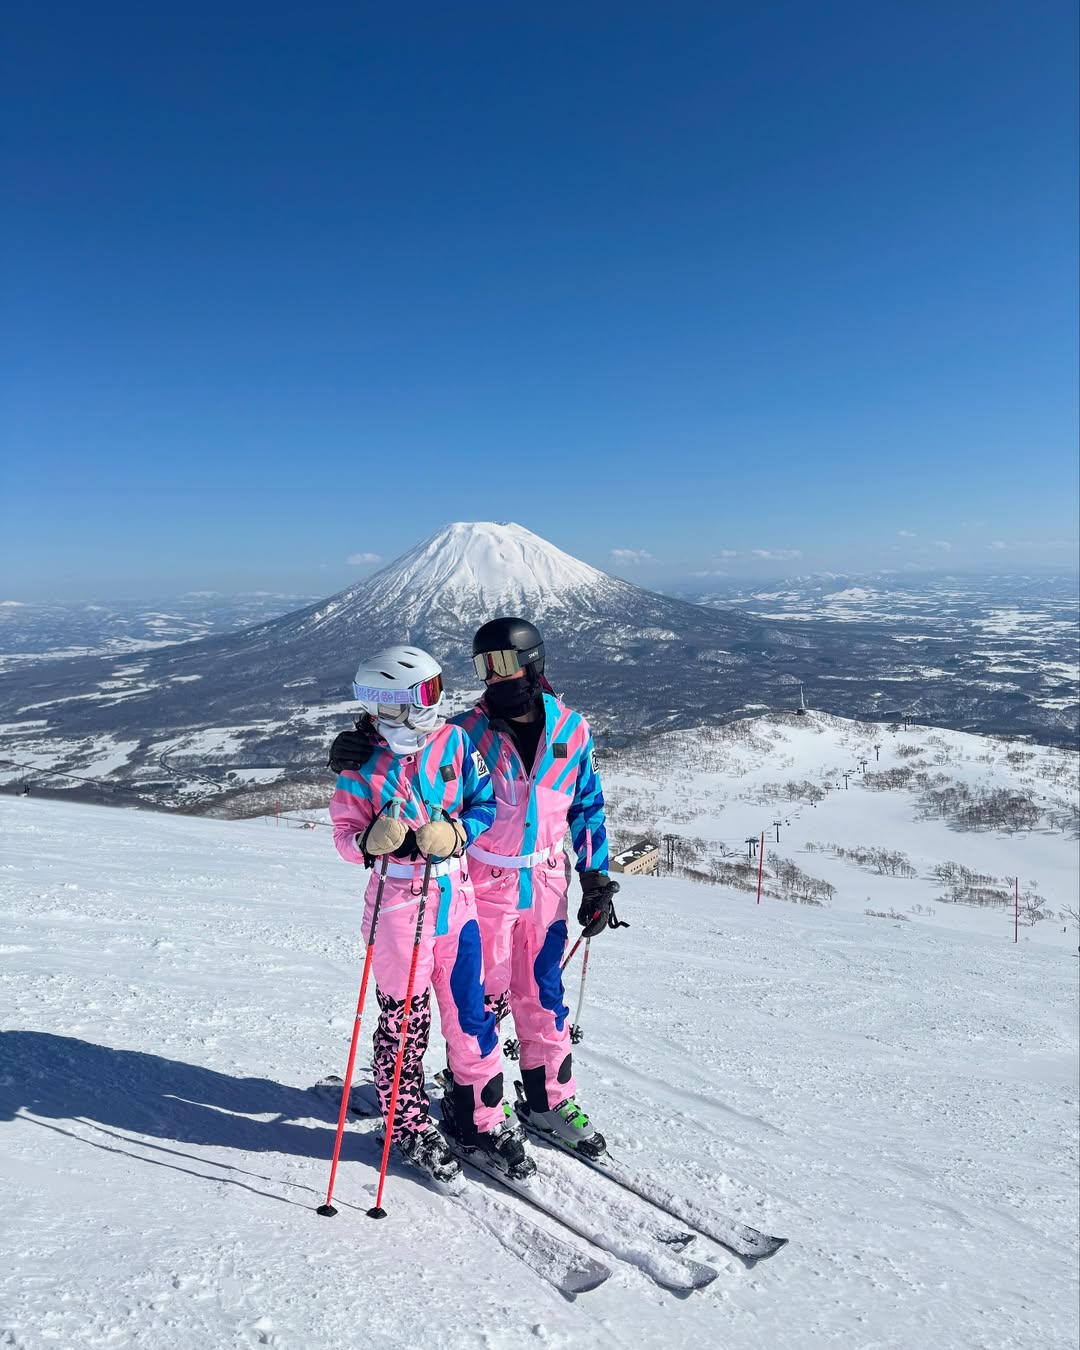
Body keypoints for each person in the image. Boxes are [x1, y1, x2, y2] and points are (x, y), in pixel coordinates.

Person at [327, 644, 533, 1182]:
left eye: (437, 688)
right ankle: (406, 1120)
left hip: (455, 898)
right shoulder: (361, 763)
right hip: (397, 905)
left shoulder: (455, 742)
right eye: (425, 693)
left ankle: (480, 1113)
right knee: (406, 1022)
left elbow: (484, 801)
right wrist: (371, 843)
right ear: (388, 704)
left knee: (471, 1012)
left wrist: (460, 830)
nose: (435, 703)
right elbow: (345, 838)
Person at [444, 617, 622, 1160]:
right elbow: (413, 777)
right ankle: (475, 1109)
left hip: (545, 885)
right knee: (476, 1002)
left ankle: (548, 1100)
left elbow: (586, 805)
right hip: (483, 883)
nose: (493, 678)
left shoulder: (571, 729)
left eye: (503, 663)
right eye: (483, 667)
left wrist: (595, 879)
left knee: (544, 996)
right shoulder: (462, 734)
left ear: (533, 661)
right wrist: (363, 744)